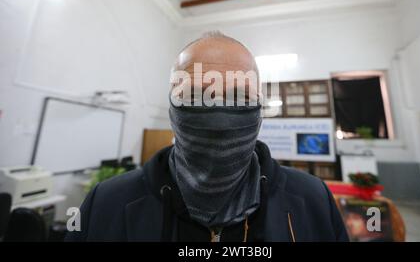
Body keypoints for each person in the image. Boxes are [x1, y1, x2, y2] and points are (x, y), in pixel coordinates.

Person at [65, 32, 349, 242]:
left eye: (239, 97)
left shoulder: (314, 200)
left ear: (259, 109)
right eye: (195, 95)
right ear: (173, 108)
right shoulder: (106, 203)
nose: (220, 117)